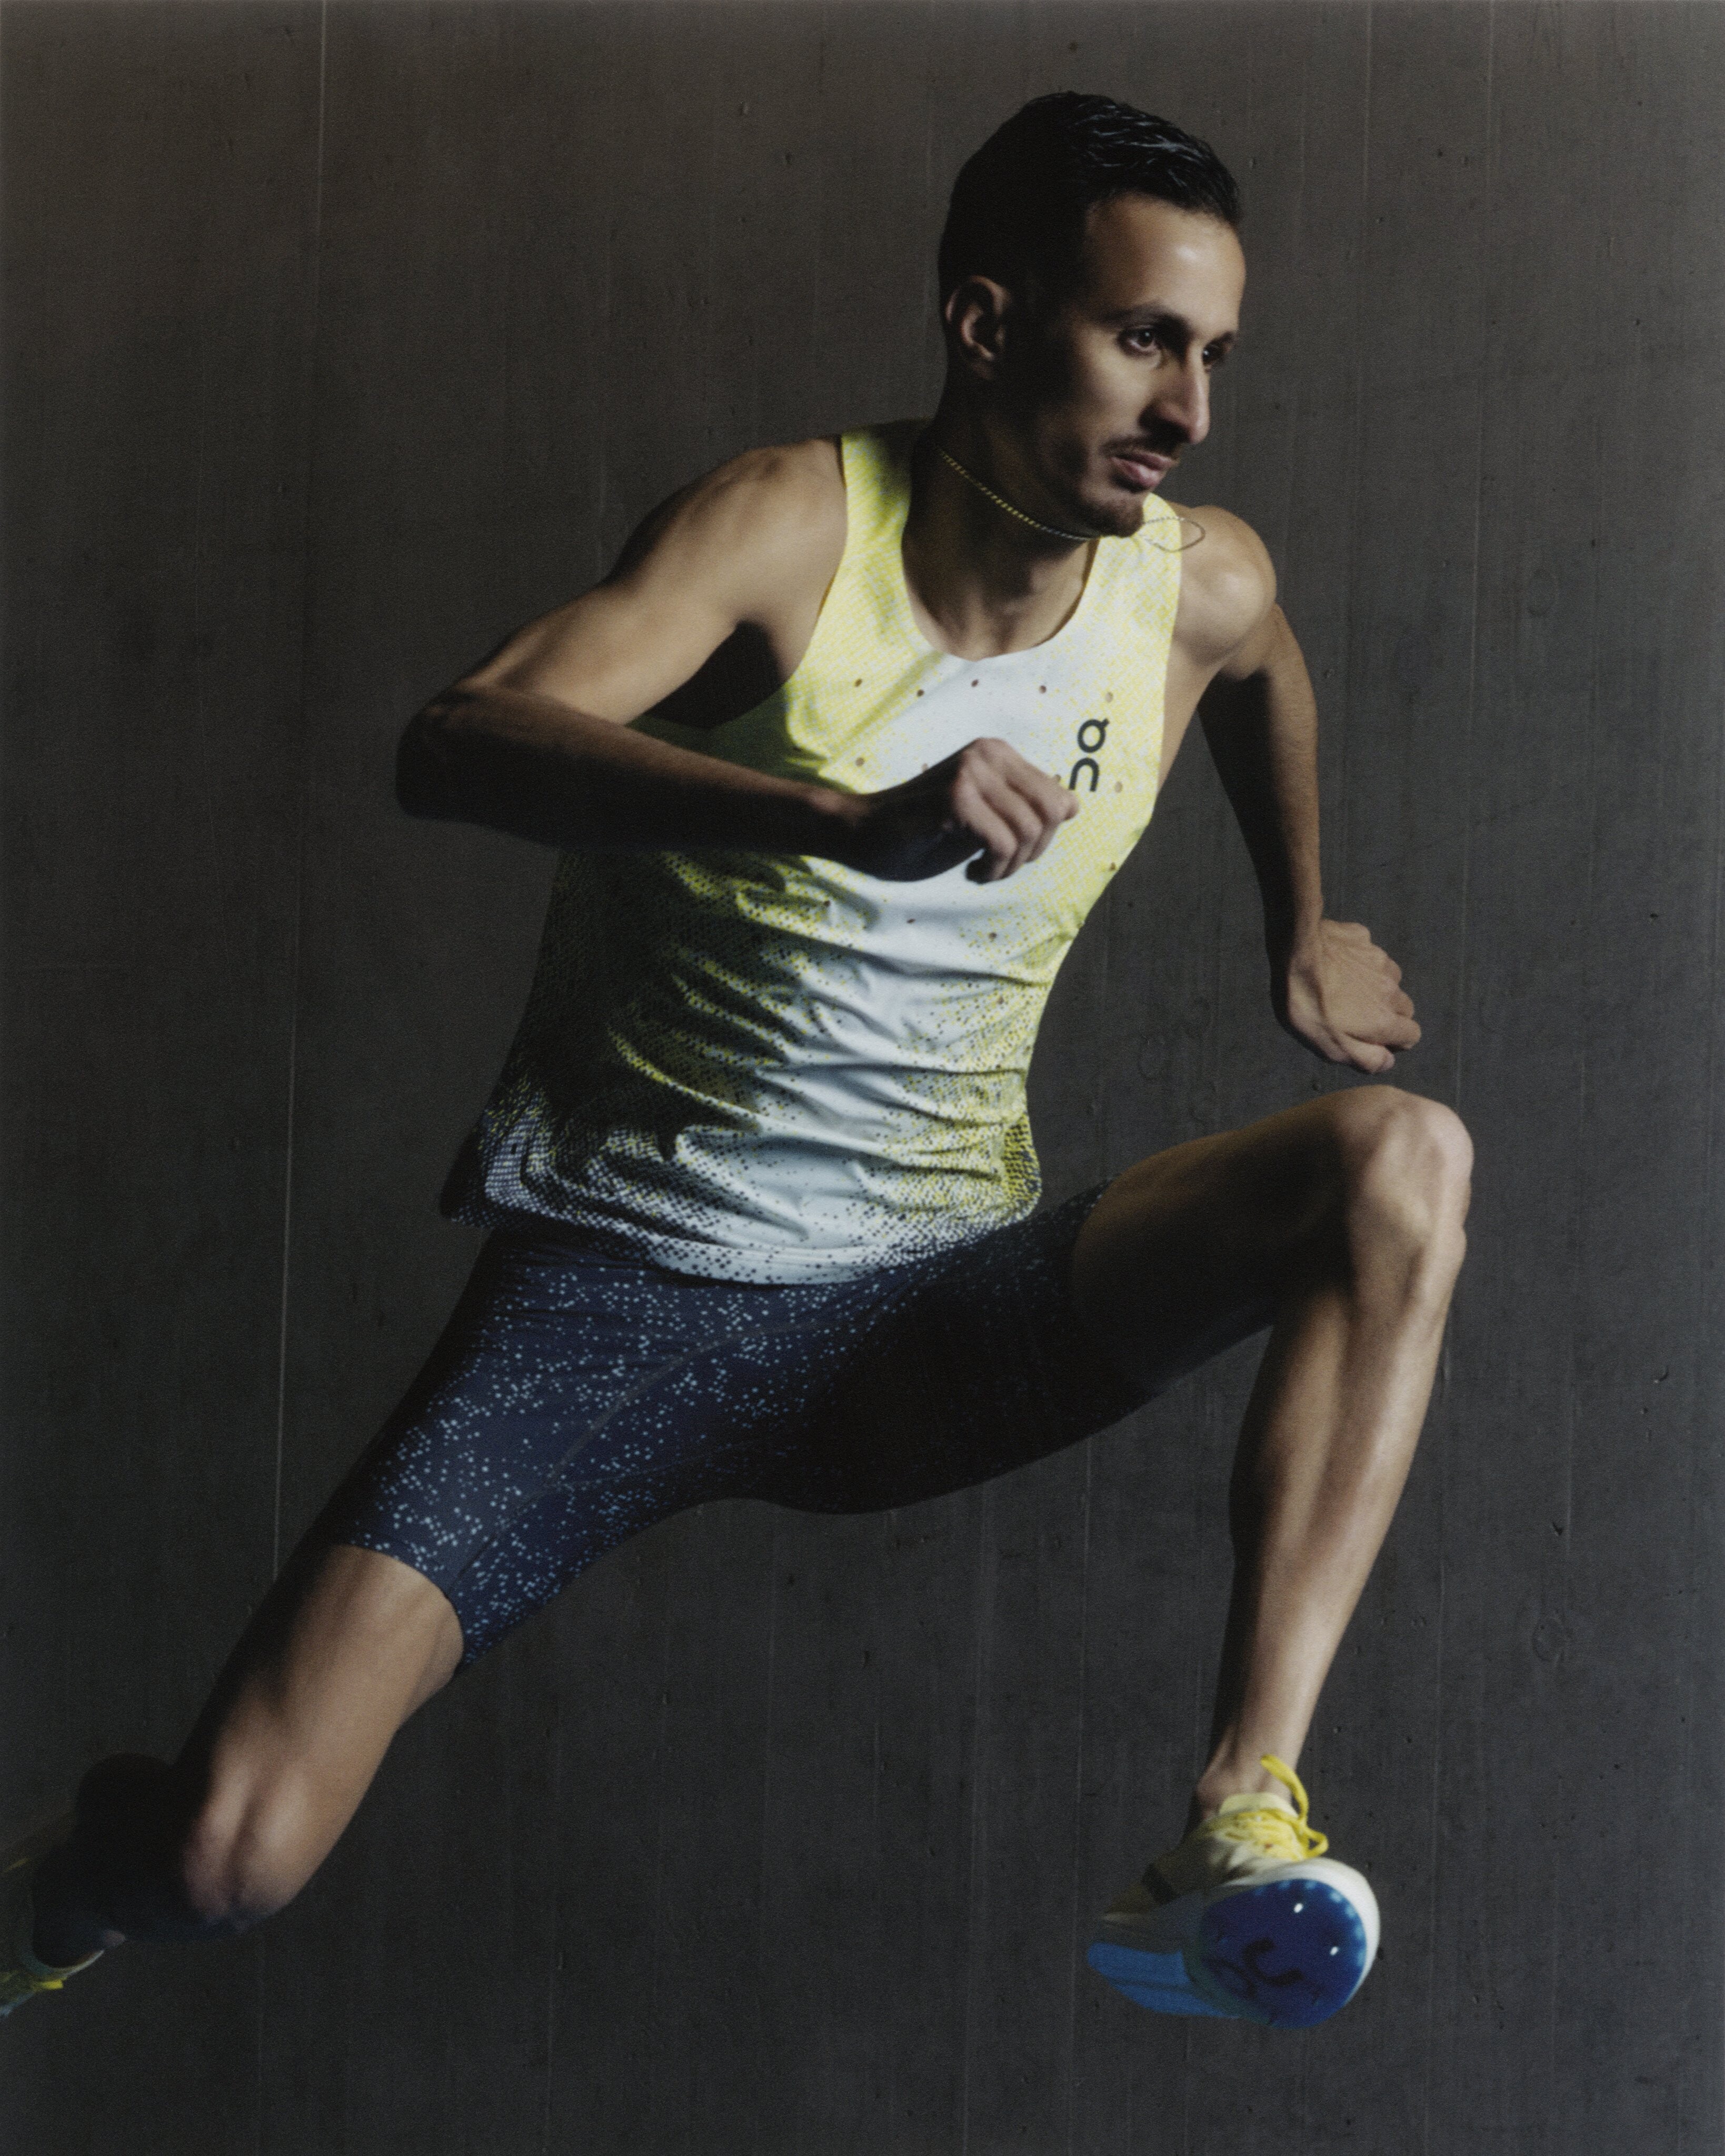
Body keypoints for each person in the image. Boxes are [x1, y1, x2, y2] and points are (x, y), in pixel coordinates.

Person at [3, 92, 1468, 2031]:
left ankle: (1234, 1817)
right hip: (615, 1315)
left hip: (925, 1312)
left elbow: (1263, 665)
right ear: (985, 322)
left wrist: (1305, 924)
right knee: (222, 1860)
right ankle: (48, 1898)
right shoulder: (788, 529)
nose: (1188, 407)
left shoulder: (1190, 581)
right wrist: (834, 821)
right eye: (1141, 340)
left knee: (1400, 1158)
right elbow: (457, 740)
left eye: (1213, 354)